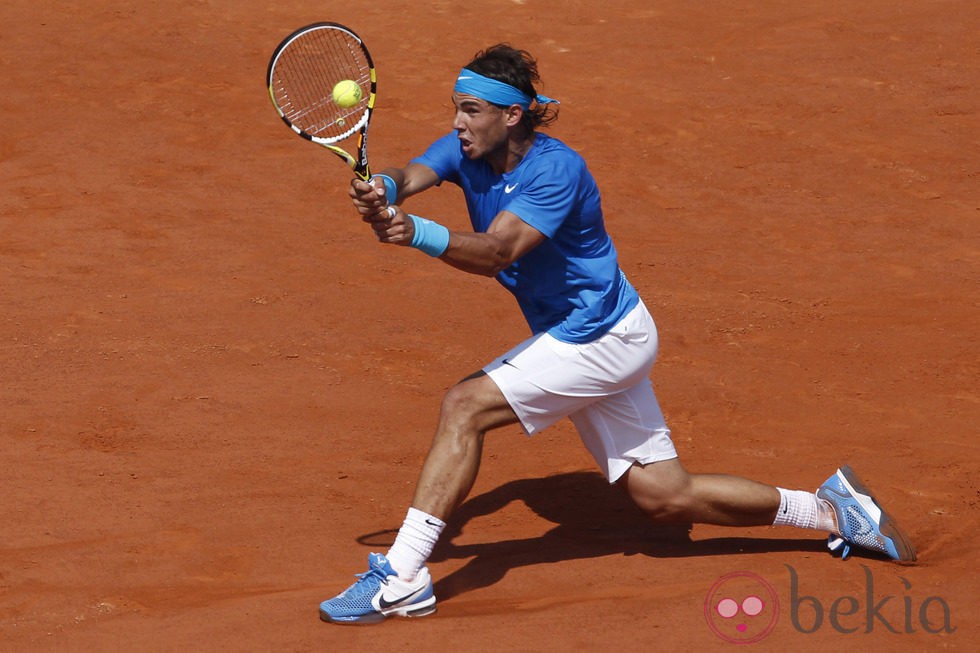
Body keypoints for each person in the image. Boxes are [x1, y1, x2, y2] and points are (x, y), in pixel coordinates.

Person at [318, 44, 916, 625]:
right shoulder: (465, 149)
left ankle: (402, 577)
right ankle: (832, 512)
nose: (458, 122)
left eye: (471, 110)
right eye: (456, 107)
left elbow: (498, 250)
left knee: (464, 406)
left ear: (512, 115)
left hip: (598, 337)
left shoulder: (557, 171)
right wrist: (387, 189)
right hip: (595, 335)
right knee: (666, 498)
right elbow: (414, 170)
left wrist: (413, 232)